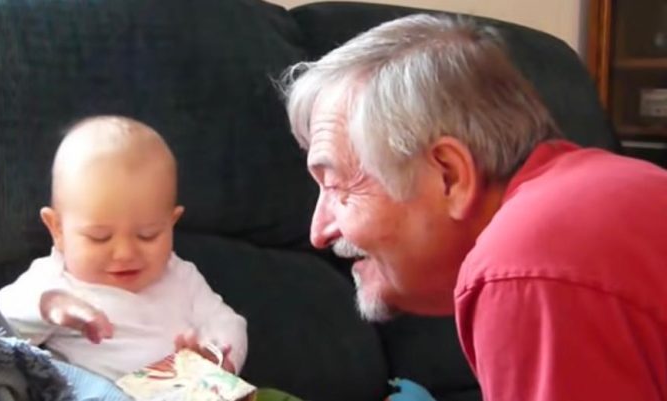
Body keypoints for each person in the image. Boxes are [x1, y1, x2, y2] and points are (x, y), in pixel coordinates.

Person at [279, 13, 667, 401]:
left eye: (337, 184)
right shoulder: (612, 192)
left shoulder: (524, 268)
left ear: (449, 174)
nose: (319, 231)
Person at [0, 116, 247, 381]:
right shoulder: (54, 281)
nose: (125, 253)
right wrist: (47, 308)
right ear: (57, 229)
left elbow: (229, 323)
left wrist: (218, 360)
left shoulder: (182, 275)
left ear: (171, 223)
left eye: (147, 235)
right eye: (99, 237)